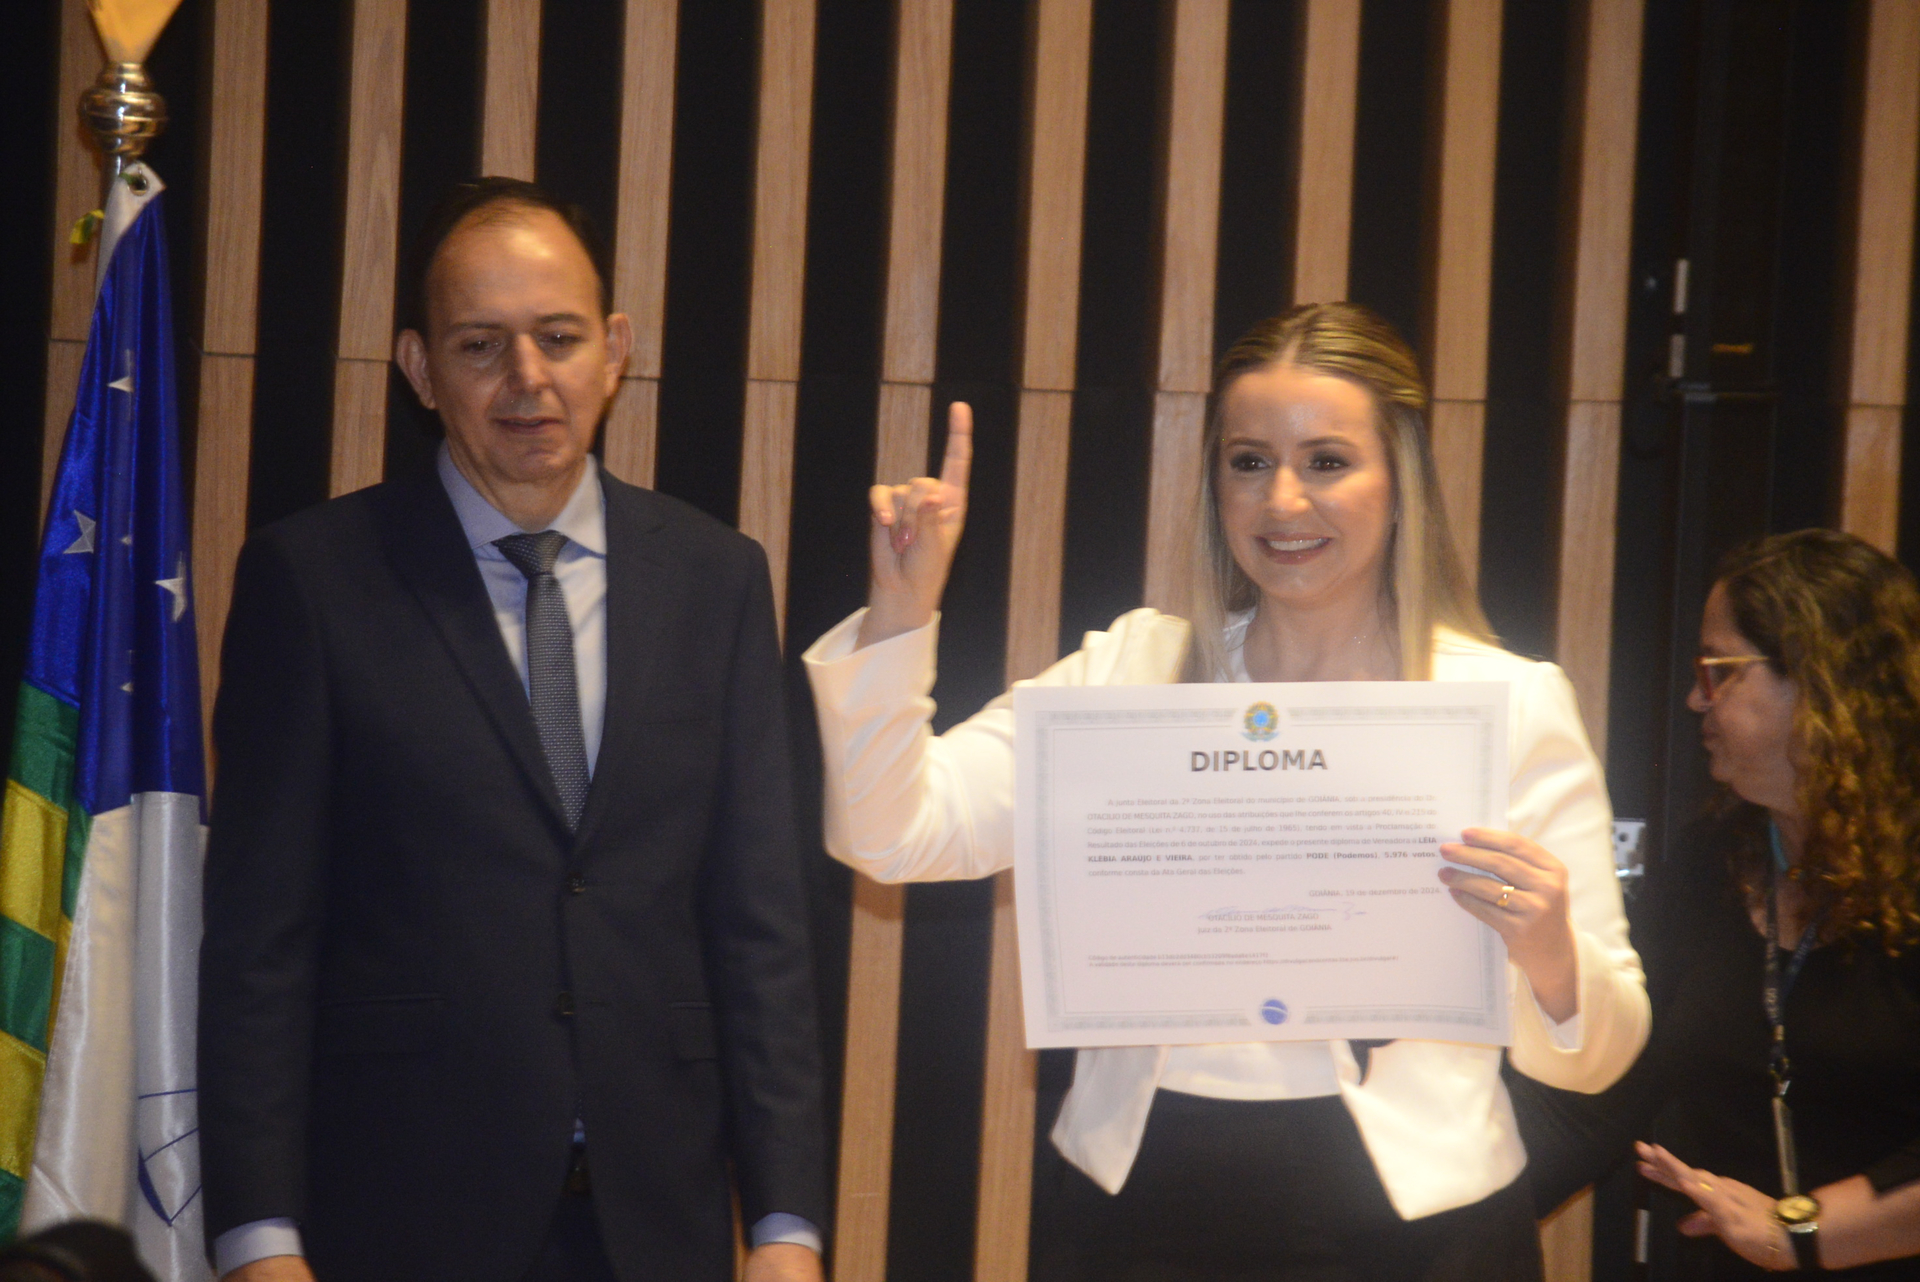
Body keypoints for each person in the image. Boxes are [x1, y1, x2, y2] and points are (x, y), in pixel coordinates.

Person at [803, 302, 1649, 1279]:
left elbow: (1606, 1050)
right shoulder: (1132, 672)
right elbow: (893, 834)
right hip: (1137, 1206)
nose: (1283, 500)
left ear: (1401, 480)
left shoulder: (1508, 702)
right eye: (1250, 461)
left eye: (1326, 461)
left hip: (1422, 1224)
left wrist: (1548, 949)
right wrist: (902, 611)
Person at [197, 179, 828, 1282]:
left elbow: (759, 923)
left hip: (658, 1216)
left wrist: (785, 1225)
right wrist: (259, 1239)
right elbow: (261, 941)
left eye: (559, 337)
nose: (527, 377)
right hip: (400, 1212)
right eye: (481, 345)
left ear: (614, 351)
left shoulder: (719, 578)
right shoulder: (313, 580)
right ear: (419, 368)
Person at [1591, 530, 1920, 1277]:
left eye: (1720, 671)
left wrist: (1797, 1234)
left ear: (1822, 682)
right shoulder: (1712, 857)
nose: (1694, 699)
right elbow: (1622, 1071)